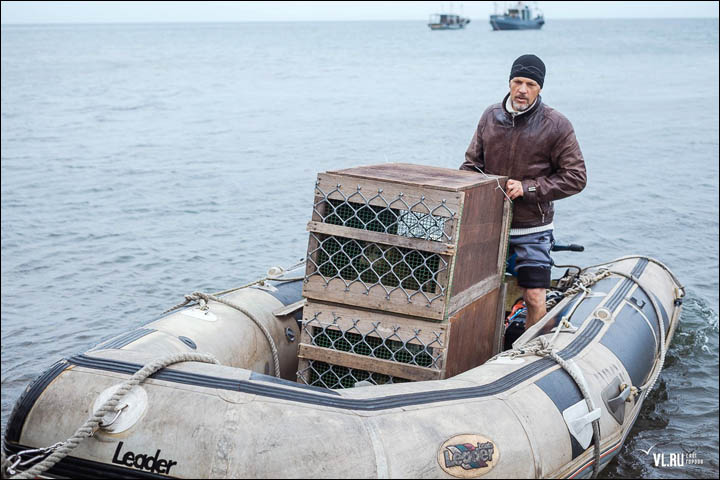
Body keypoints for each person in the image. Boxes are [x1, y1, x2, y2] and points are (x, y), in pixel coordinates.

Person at [460, 54, 587, 329]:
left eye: (530, 84)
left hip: (532, 230)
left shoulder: (557, 124)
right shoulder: (489, 116)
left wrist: (528, 187)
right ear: (509, 82)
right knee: (473, 295)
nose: (522, 89)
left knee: (534, 296)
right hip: (489, 227)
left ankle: (531, 353)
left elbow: (576, 178)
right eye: (517, 81)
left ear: (540, 88)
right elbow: (470, 165)